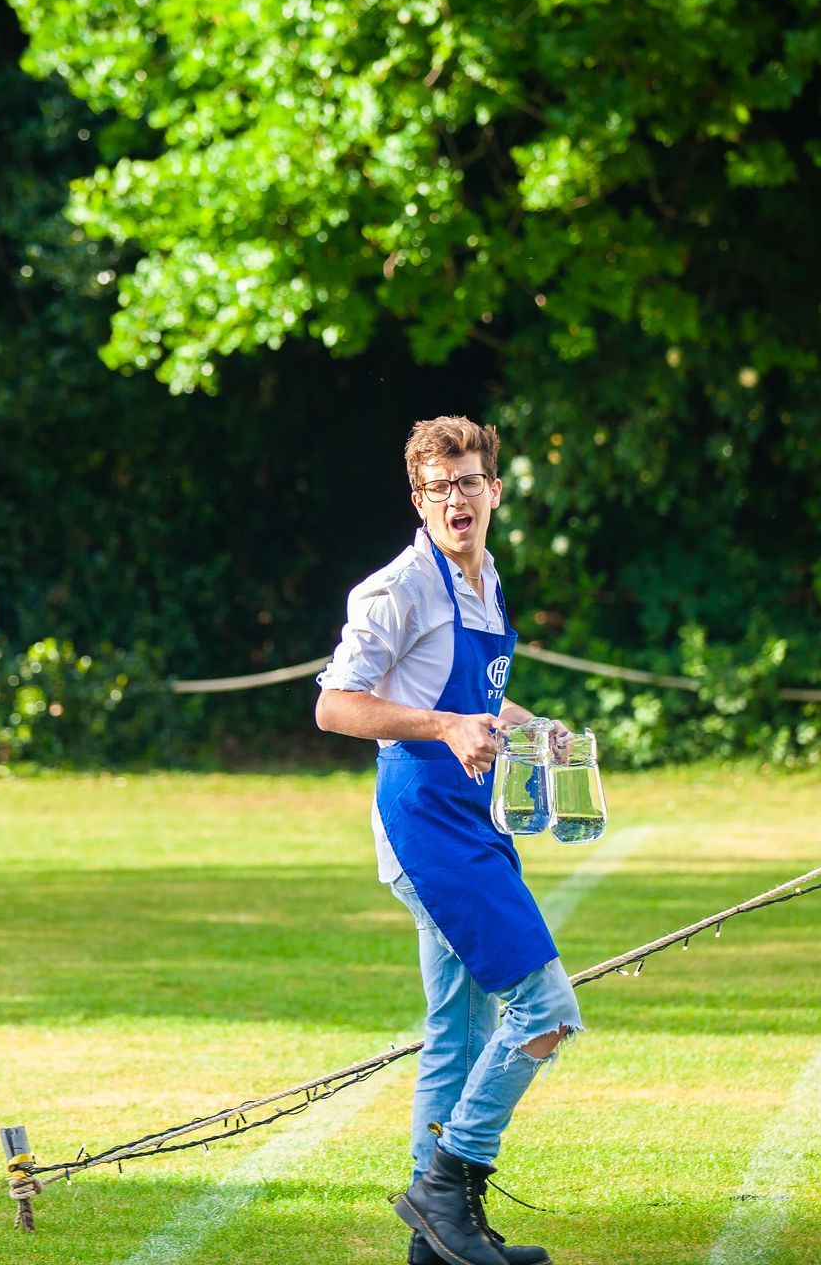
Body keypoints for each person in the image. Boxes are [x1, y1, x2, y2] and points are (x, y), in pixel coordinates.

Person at [315, 417, 581, 1265]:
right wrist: (443, 726)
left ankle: (438, 1247)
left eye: (468, 482)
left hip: (473, 818)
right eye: (438, 488)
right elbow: (336, 704)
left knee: (459, 1031)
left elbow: (470, 696)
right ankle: (446, 1183)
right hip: (423, 821)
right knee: (544, 1010)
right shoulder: (395, 589)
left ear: (494, 490)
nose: (455, 499)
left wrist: (530, 725)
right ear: (419, 501)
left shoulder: (487, 575)